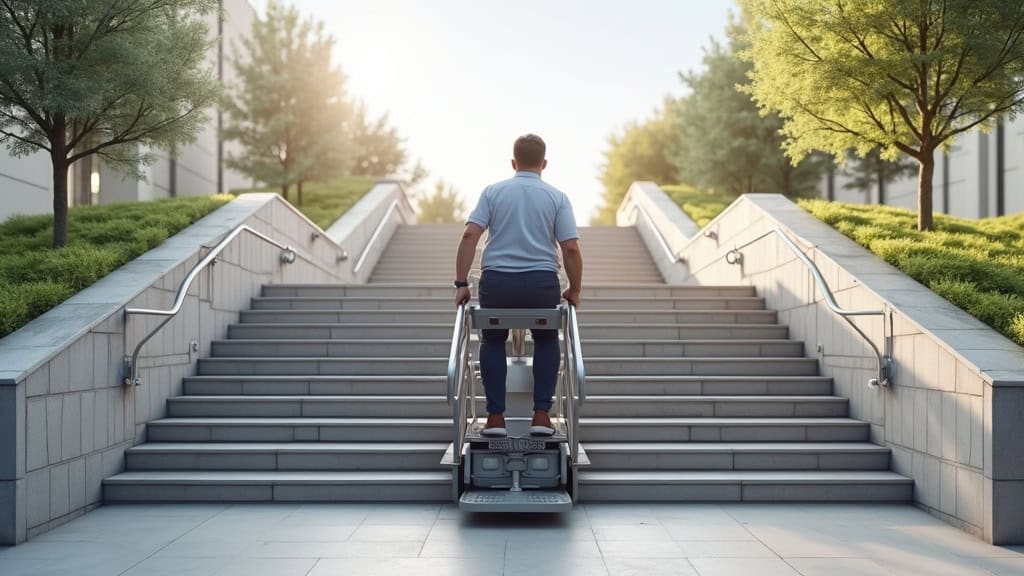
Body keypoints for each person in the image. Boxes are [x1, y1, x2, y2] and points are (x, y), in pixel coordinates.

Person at [453, 133, 583, 438]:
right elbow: (572, 249)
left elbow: (469, 236)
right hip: (540, 282)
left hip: (497, 282)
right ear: (544, 163)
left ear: (513, 162)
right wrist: (574, 290)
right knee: (547, 340)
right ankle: (541, 415)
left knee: (493, 340)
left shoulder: (492, 192)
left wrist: (461, 283)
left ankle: (495, 418)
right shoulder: (557, 197)